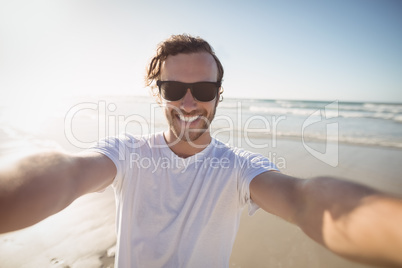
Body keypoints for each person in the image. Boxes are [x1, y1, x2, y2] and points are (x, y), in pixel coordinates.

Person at [0, 34, 401, 268]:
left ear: (218, 95)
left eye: (204, 90)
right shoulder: (126, 152)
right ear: (158, 94)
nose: (189, 103)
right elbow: (68, 173)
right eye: (174, 89)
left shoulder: (239, 168)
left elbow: (303, 200)